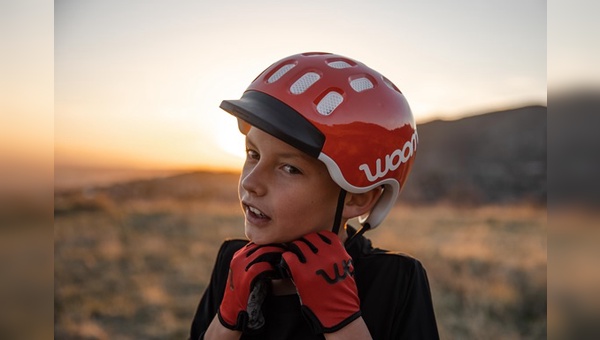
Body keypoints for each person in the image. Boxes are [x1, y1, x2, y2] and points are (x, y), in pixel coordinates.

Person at [189, 52, 439, 339]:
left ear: (357, 198)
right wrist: (226, 320)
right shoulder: (233, 261)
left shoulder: (395, 280)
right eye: (252, 154)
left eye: (289, 168)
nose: (251, 181)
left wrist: (344, 324)